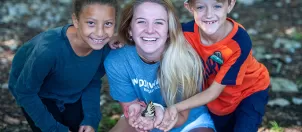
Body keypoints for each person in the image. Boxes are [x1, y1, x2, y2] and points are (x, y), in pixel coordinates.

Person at [159, 0, 271, 132]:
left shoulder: (239, 42)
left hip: (249, 91)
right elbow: (153, 40)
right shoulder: (185, 33)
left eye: (217, 6)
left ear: (230, 5)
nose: (209, 14)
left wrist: (176, 107)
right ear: (189, 7)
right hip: (217, 99)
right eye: (200, 7)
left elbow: (213, 92)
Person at [105, 0, 215, 132]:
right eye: (141, 21)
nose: (150, 30)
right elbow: (130, 107)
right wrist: (137, 115)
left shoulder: (185, 59)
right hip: (144, 116)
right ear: (129, 29)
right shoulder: (117, 61)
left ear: (169, 30)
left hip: (188, 121)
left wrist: (161, 112)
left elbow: (181, 117)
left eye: (158, 22)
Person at [8, 0, 117, 131]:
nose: (100, 32)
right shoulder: (48, 50)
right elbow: (25, 92)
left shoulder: (104, 48)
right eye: (91, 23)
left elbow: (92, 81)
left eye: (108, 24)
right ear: (76, 21)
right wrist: (55, 129)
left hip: (73, 93)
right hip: (38, 95)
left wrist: (91, 119)